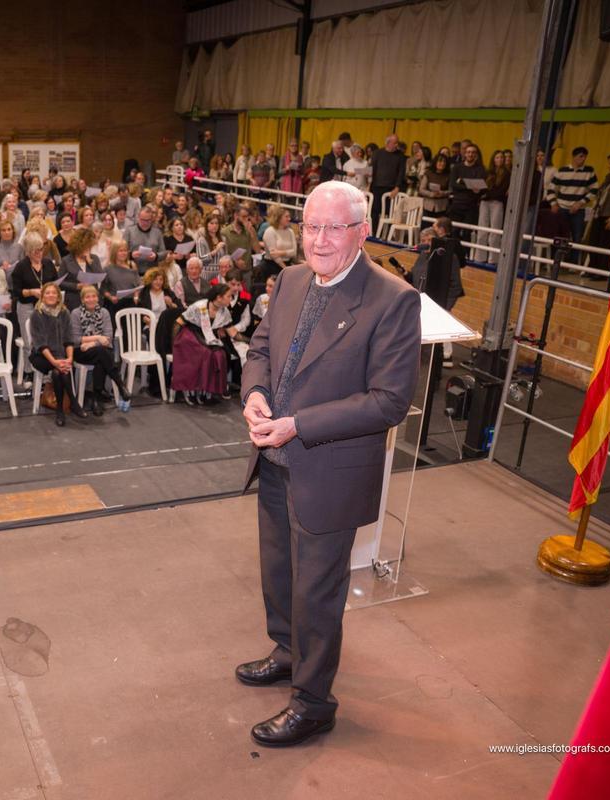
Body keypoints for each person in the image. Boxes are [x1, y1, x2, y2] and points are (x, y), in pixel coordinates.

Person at [237, 180, 420, 747]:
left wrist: (298, 425)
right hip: (275, 456)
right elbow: (262, 347)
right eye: (311, 226)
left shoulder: (393, 300)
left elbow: (388, 401)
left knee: (317, 590)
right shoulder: (290, 279)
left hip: (327, 467)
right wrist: (255, 393)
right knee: (279, 572)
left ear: (361, 232)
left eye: (333, 228)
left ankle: (314, 703)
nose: (318, 240)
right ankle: (288, 652)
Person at [29, 282, 88, 426]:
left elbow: (69, 339)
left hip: (61, 354)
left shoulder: (64, 312)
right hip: (41, 355)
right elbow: (40, 343)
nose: (51, 295)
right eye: (47, 293)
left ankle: (60, 410)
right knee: (59, 368)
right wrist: (55, 362)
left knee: (58, 372)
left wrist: (69, 359)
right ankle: (73, 403)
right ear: (42, 296)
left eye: (54, 293)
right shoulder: (36, 314)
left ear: (58, 296)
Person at [69, 286, 132, 414]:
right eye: (87, 297)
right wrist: (98, 337)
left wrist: (91, 343)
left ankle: (96, 399)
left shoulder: (104, 312)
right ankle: (119, 384)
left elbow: (108, 337)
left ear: (98, 298)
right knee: (103, 354)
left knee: (100, 358)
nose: (91, 299)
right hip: (80, 351)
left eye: (94, 296)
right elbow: (75, 339)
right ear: (82, 300)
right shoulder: (75, 313)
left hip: (96, 348)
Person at [171, 284, 233, 405]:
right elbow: (178, 323)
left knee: (219, 354)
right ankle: (189, 390)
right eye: (229, 296)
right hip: (190, 334)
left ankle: (207, 390)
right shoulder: (199, 306)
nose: (231, 298)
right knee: (202, 352)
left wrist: (251, 342)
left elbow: (233, 333)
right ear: (219, 297)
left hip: (208, 336)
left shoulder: (224, 311)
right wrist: (174, 343)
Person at [548, 146, 598, 244]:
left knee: (577, 238)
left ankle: (573, 259)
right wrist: (553, 203)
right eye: (581, 156)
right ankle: (557, 258)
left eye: (585, 157)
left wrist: (580, 203)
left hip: (578, 210)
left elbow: (595, 190)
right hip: (562, 208)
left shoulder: (589, 171)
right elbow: (551, 189)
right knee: (559, 237)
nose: (583, 159)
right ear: (574, 157)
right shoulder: (562, 170)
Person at [474, 150, 510, 265]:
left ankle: (493, 259)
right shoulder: (487, 173)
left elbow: (502, 191)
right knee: (482, 230)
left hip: (497, 203)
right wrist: (480, 192)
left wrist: (487, 194)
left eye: (501, 158)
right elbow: (483, 188)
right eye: (497, 157)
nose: (499, 160)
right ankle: (480, 257)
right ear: (493, 159)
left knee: (495, 231)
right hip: (484, 202)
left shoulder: (507, 174)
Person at [448, 143, 487, 248]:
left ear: (476, 155)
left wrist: (462, 181)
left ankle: (465, 257)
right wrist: (469, 186)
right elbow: (453, 184)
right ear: (464, 154)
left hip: (471, 206)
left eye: (473, 152)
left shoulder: (481, 169)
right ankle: (452, 253)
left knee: (467, 233)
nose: (470, 154)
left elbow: (482, 187)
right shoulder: (457, 167)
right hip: (457, 204)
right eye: (468, 152)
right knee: (454, 231)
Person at [58, 227, 105, 310]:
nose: (89, 248)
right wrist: (76, 286)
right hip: (74, 300)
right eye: (86, 246)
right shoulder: (66, 260)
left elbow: (100, 276)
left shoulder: (94, 258)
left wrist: (90, 262)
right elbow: (60, 282)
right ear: (78, 245)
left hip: (93, 300)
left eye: (90, 246)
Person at [369, 134, 407, 230]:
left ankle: (387, 234)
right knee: (375, 211)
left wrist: (397, 187)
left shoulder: (400, 156)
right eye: (395, 143)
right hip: (377, 187)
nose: (397, 145)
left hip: (391, 189)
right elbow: (371, 169)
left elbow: (401, 172)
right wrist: (369, 184)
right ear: (388, 143)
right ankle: (373, 232)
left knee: (390, 212)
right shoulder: (377, 153)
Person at [123, 205, 165, 274]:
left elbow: (163, 252)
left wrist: (156, 256)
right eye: (142, 220)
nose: (145, 223)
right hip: (132, 271)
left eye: (148, 220)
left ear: (152, 219)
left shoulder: (157, 232)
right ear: (138, 218)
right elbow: (121, 251)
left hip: (152, 272)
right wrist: (131, 255)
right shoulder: (129, 231)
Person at [260, 205, 297, 277]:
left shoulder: (290, 231)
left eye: (289, 216)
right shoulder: (270, 231)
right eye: (286, 216)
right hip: (272, 266)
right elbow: (274, 256)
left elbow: (294, 252)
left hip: (287, 264)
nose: (289, 219)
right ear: (279, 218)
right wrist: (285, 268)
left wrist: (280, 252)